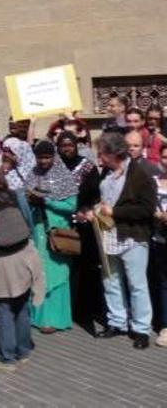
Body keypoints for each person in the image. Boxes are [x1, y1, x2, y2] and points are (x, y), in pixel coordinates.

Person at [87, 132, 156, 349]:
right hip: (108, 234)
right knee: (111, 279)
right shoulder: (105, 174)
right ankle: (117, 321)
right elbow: (99, 199)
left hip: (132, 235)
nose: (99, 157)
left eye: (102, 153)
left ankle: (141, 328)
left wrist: (115, 211)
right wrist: (93, 211)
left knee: (137, 284)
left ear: (113, 153)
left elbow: (146, 209)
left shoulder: (140, 175)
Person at [0, 166, 44, 372]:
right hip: (24, 253)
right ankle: (23, 351)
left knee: (3, 307)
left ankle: (7, 357)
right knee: (22, 304)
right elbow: (28, 222)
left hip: (1, 259)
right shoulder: (16, 195)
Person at [25, 141, 77, 333]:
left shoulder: (64, 176)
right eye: (40, 158)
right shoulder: (33, 173)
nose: (44, 161)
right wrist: (31, 200)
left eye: (47, 157)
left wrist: (47, 202)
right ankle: (37, 316)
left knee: (56, 273)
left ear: (54, 157)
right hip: (37, 230)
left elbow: (71, 205)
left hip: (57, 233)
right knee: (37, 271)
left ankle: (54, 318)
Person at [57, 132, 104, 330]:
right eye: (63, 145)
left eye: (70, 144)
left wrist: (84, 209)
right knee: (63, 269)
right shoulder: (55, 168)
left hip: (84, 226)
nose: (67, 148)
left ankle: (85, 311)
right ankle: (65, 309)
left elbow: (94, 194)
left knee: (85, 269)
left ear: (76, 145)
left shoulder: (87, 166)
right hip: (61, 224)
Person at [152, 143, 167, 347]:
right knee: (164, 283)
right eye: (164, 157)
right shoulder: (154, 182)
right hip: (160, 238)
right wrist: (158, 215)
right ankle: (165, 326)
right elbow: (146, 206)